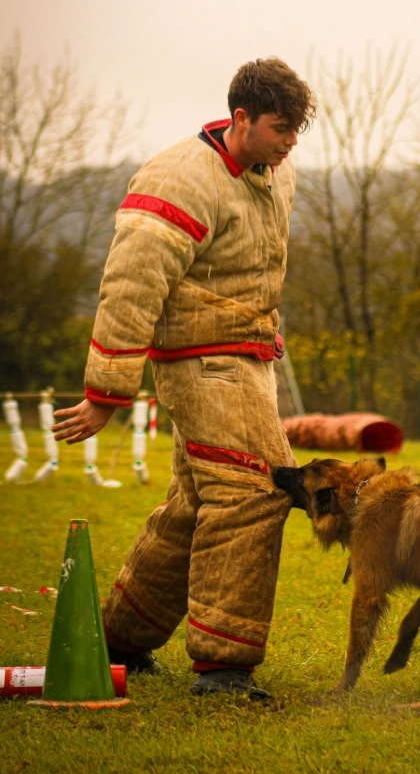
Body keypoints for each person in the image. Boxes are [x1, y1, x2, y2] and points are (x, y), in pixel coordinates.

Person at [53, 57, 315, 699]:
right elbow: (130, 288)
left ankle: (119, 638)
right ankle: (224, 667)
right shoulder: (178, 179)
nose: (289, 144)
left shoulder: (274, 173)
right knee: (256, 490)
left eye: (297, 132)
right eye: (280, 129)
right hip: (201, 363)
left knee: (195, 504)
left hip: (249, 358)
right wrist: (105, 393)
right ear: (241, 118)